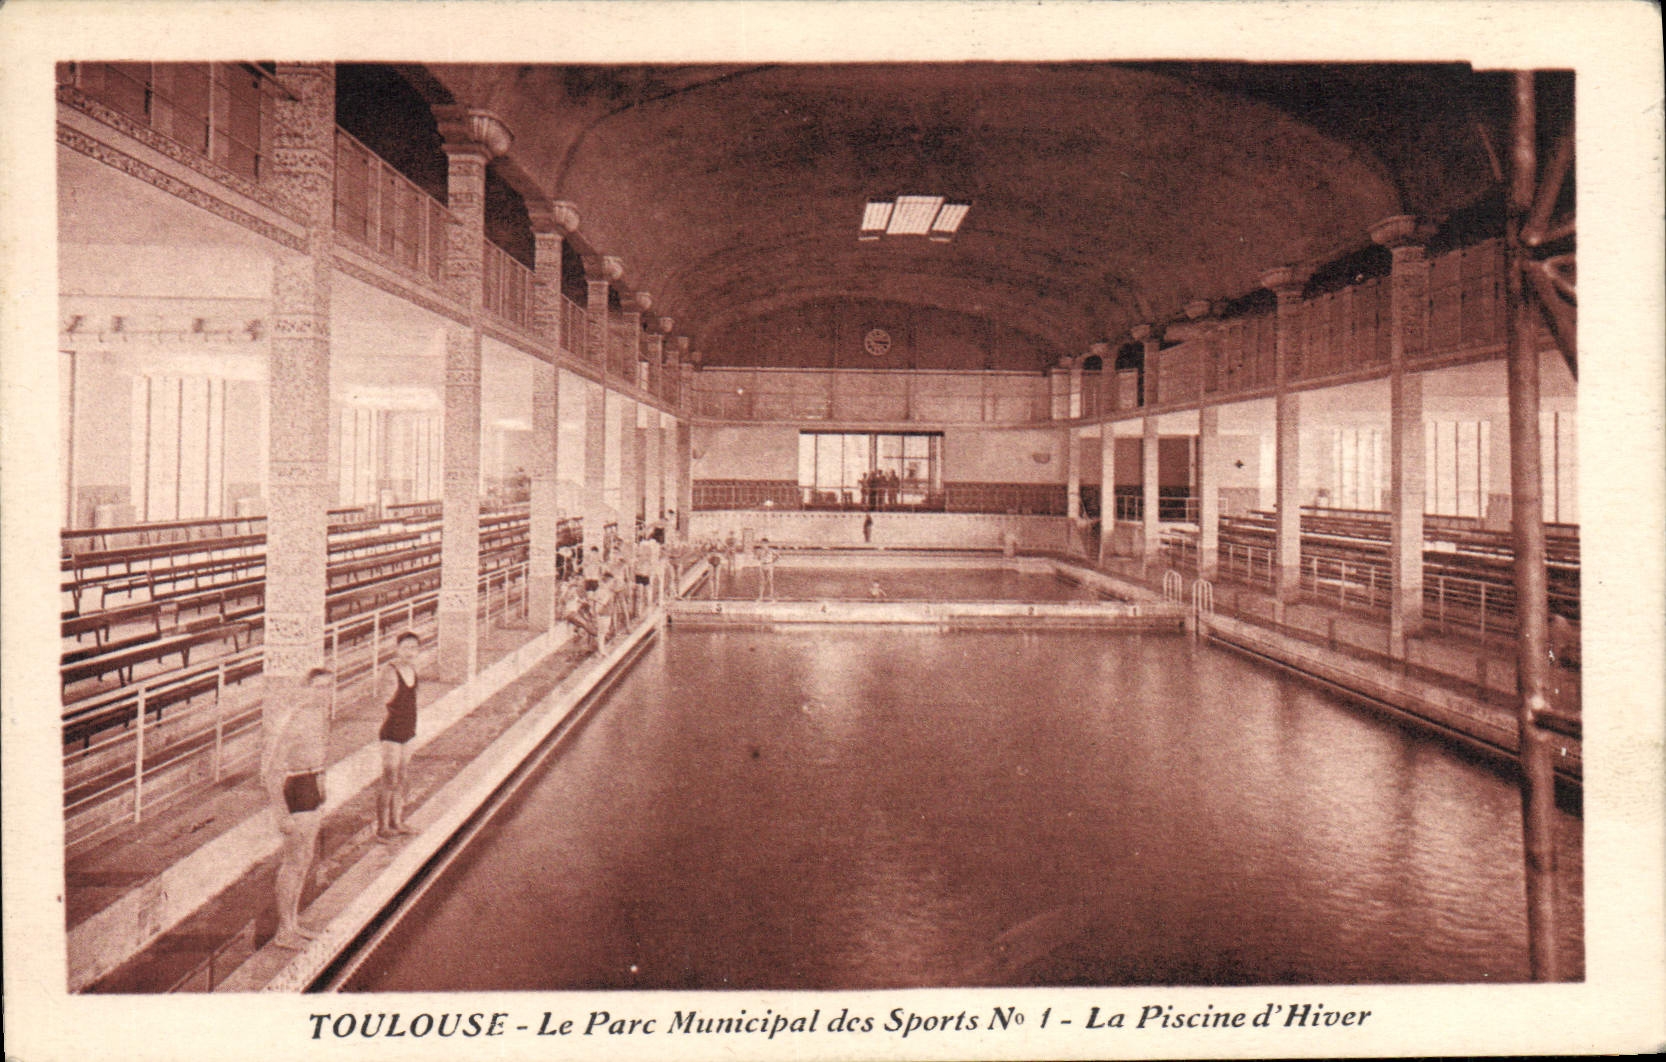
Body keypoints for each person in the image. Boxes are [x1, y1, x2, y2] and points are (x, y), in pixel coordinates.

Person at [261, 666, 333, 948]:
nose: (324, 693)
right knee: (293, 863)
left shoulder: (321, 716)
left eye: (328, 687)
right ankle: (283, 931)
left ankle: (293, 923)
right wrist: (281, 815)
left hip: (312, 784)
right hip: (297, 789)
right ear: (307, 690)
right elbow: (272, 772)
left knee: (304, 861)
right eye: (318, 687)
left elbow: (319, 753)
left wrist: (322, 780)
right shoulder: (298, 719)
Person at [376, 632, 422, 840]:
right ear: (397, 649)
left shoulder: (412, 669)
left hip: (408, 729)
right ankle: (382, 827)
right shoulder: (389, 671)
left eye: (414, 648)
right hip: (392, 731)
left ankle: (397, 821)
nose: (410, 652)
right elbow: (382, 703)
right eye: (406, 648)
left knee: (402, 777)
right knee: (390, 779)